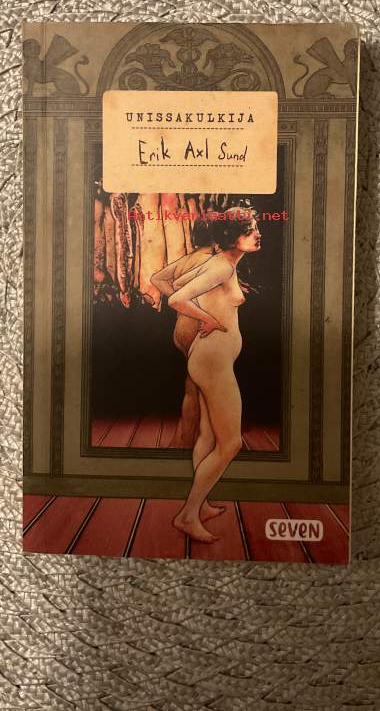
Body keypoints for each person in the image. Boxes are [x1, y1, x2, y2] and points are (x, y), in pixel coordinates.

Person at [166, 207, 261, 543]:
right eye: (248, 230)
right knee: (231, 443)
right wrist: (206, 318)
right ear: (231, 236)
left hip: (211, 359)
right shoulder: (221, 266)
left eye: (255, 227)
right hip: (212, 362)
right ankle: (187, 515)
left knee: (207, 437)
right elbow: (176, 297)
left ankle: (201, 504)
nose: (257, 233)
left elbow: (179, 282)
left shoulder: (223, 263)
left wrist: (208, 309)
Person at [149, 219, 216, 451]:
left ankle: (186, 439)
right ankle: (196, 441)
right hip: (199, 327)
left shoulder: (187, 260)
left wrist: (177, 297)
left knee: (193, 384)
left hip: (182, 328)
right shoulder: (214, 261)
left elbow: (156, 279)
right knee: (206, 387)